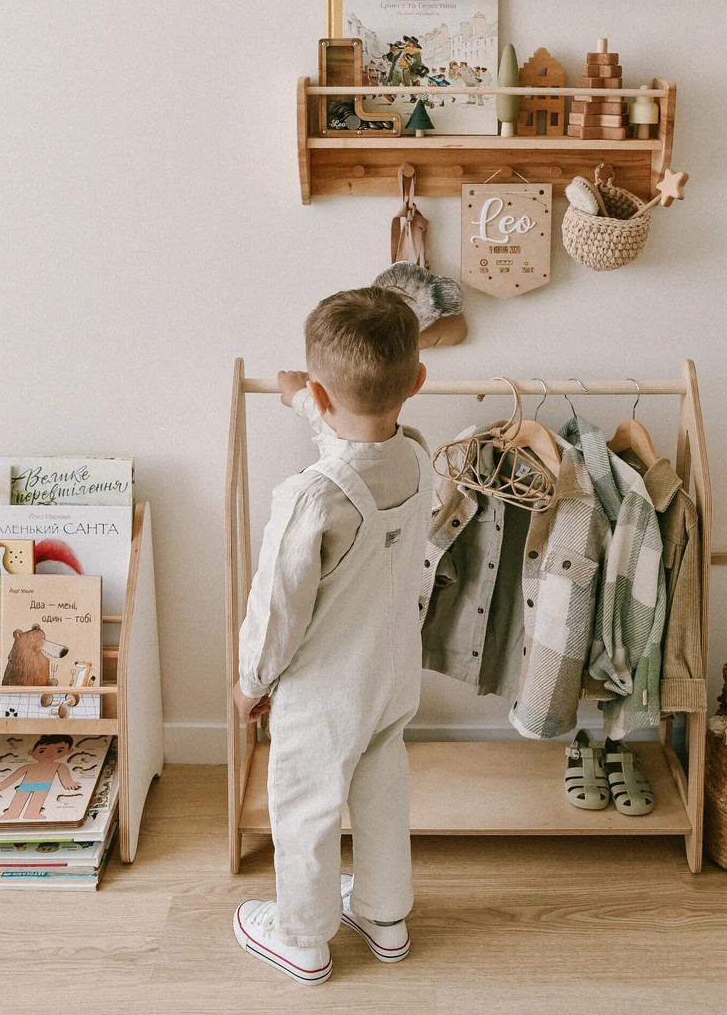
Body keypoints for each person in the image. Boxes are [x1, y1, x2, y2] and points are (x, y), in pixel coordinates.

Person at [232, 287, 430, 985]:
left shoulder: (310, 498)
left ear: (319, 389)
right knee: (382, 789)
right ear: (418, 381)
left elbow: (277, 604)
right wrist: (305, 401)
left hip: (324, 690)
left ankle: (303, 936)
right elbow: (357, 447)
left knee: (307, 804)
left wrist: (251, 679)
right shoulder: (417, 459)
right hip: (392, 673)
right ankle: (383, 914)